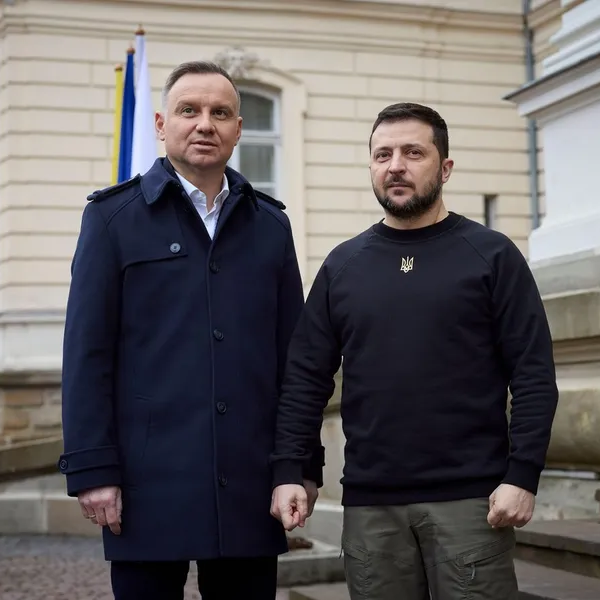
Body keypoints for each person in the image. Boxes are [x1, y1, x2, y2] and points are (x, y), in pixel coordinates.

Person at [57, 60, 324, 600]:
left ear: (238, 129)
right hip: (147, 483)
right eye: (189, 111)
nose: (205, 124)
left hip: (252, 483)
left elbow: (293, 362)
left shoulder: (270, 225)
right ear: (161, 124)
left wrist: (297, 466)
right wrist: (93, 469)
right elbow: (87, 355)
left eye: (220, 112)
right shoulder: (112, 219)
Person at [269, 102, 558, 599]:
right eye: (382, 154)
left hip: (472, 502)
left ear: (444, 167)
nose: (395, 165)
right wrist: (294, 470)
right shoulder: (343, 266)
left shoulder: (491, 255)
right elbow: (304, 378)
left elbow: (532, 374)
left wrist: (523, 475)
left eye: (412, 152)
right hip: (371, 507)